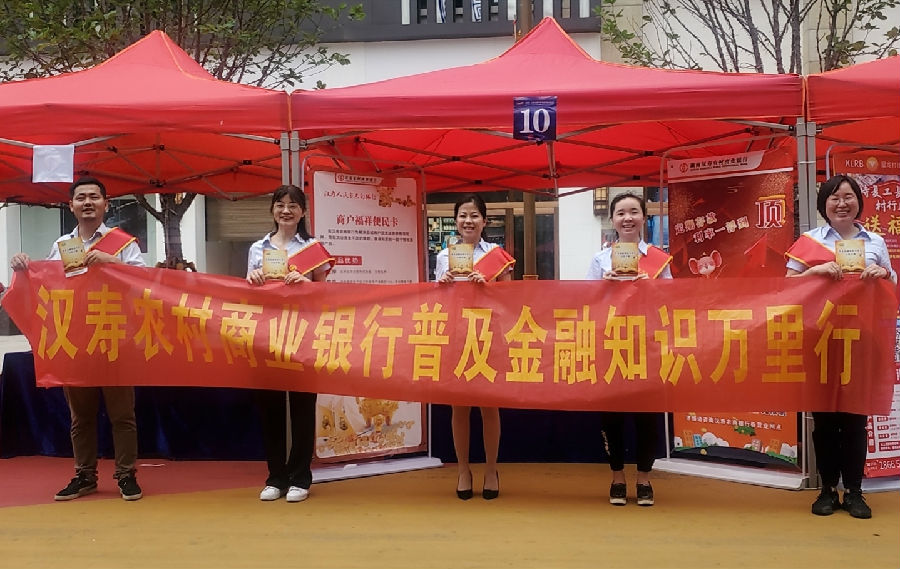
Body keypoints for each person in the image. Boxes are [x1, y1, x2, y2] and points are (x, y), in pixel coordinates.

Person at [9, 176, 145, 501]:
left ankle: (126, 475)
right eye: (81, 197)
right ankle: (84, 475)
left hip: (113, 338)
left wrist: (113, 263)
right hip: (76, 340)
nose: (87, 202)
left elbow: (145, 282)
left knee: (122, 415)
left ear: (106, 204)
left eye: (94, 197)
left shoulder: (123, 243)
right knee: (80, 416)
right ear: (70, 205)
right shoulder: (60, 245)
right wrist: (23, 266)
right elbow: (46, 284)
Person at [785, 174, 896, 519]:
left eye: (848, 196)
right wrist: (815, 273)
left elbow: (892, 285)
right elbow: (786, 287)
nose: (842, 203)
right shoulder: (809, 242)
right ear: (824, 205)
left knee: (855, 420)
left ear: (858, 202)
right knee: (824, 419)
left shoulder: (875, 241)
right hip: (820, 341)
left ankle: (855, 492)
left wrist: (882, 275)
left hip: (862, 341)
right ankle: (827, 490)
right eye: (834, 197)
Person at [247, 185, 333, 503]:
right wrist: (254, 280)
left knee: (302, 407)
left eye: (293, 205)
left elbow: (325, 294)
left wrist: (306, 283)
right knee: (270, 408)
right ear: (272, 209)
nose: (286, 210)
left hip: (302, 335)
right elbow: (248, 294)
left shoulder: (313, 248)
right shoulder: (257, 248)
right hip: (267, 334)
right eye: (280, 204)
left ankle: (300, 477)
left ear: (303, 212)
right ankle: (275, 477)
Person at [586, 192, 672, 507]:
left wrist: (652, 285)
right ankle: (617, 477)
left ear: (644, 218)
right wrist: (603, 286)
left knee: (647, 416)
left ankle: (644, 478)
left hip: (648, 346)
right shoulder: (600, 260)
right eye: (621, 213)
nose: (627, 218)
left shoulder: (660, 260)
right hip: (612, 346)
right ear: (612, 219)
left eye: (634, 212)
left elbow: (674, 301)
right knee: (612, 416)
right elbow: (585, 304)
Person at [434, 193, 514, 500]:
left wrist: (489, 287)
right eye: (463, 215)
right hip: (457, 334)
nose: (468, 221)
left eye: (474, 215)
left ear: (484, 221)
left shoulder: (497, 255)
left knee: (489, 406)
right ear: (456, 220)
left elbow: (511, 299)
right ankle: (463, 470)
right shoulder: (444, 256)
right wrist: (442, 285)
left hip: (488, 335)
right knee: (460, 407)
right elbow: (437, 301)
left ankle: (491, 469)